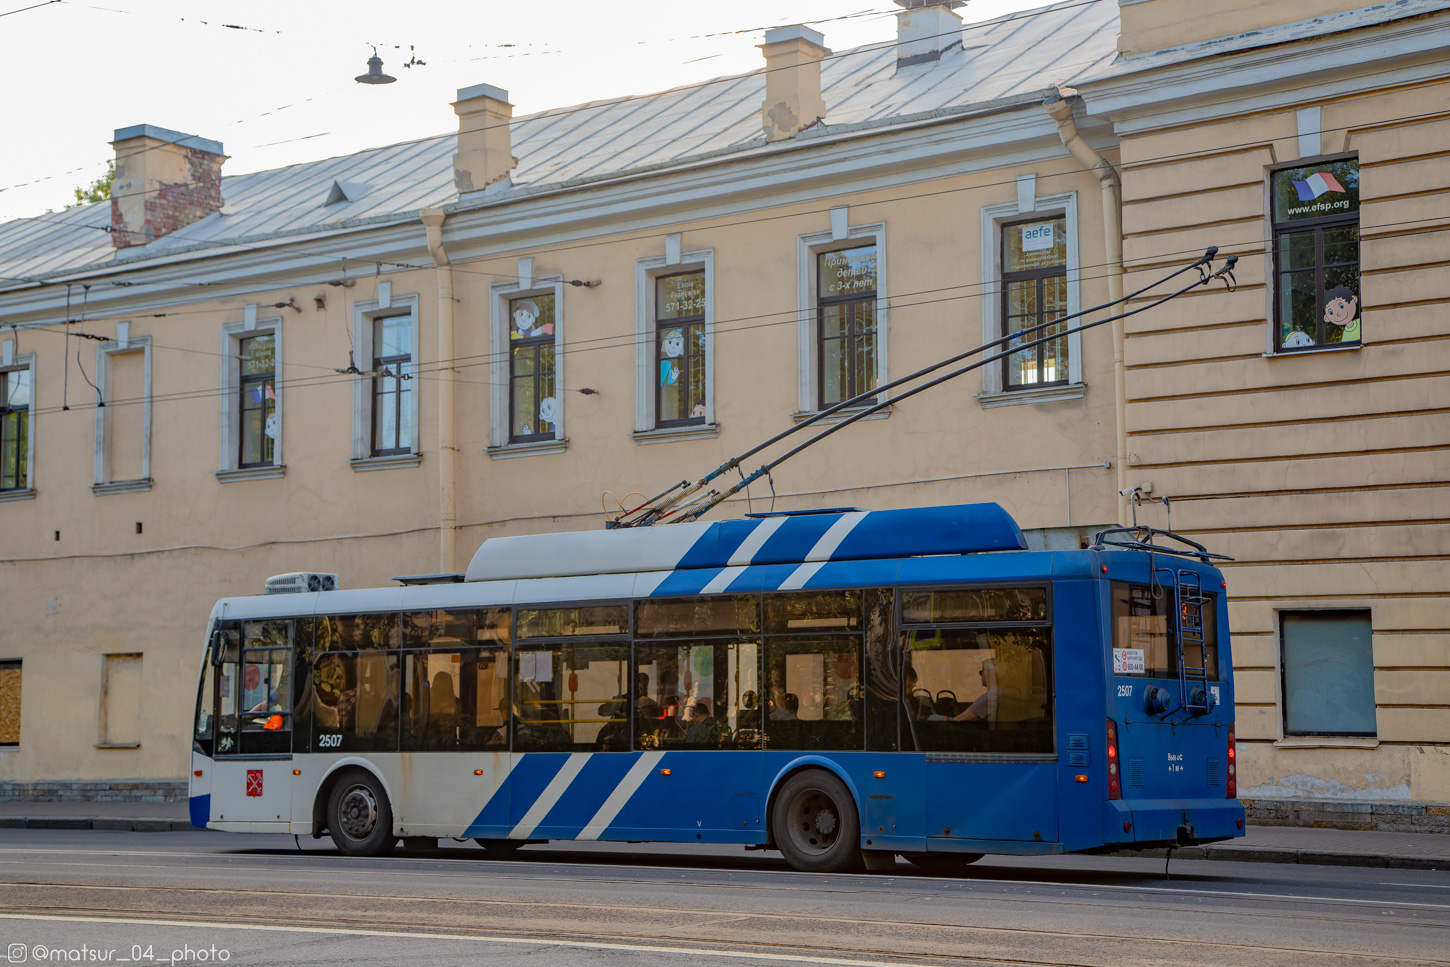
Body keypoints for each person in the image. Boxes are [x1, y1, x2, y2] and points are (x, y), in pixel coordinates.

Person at [936, 659, 999, 723]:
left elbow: (962, 718)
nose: (980, 676)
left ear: (988, 672)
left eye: (981, 672)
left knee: (933, 717)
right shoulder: (999, 693)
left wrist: (947, 720)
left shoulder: (989, 697)